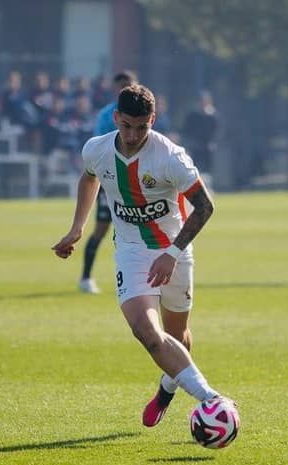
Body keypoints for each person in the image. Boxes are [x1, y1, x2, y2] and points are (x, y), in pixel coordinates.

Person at [52, 84, 234, 427]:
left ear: (153, 119)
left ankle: (167, 389)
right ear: (116, 118)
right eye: (127, 126)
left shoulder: (171, 157)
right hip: (132, 252)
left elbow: (205, 207)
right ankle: (212, 399)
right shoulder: (97, 149)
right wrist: (77, 227)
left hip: (174, 249)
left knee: (177, 335)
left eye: (142, 127)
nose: (133, 135)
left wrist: (172, 253)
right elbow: (89, 179)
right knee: (148, 333)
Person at [77, 70, 138, 294]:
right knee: (101, 229)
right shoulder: (106, 115)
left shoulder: (143, 112)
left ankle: (139, 280)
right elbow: (101, 148)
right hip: (110, 181)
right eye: (122, 86)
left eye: (129, 85)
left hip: (136, 182)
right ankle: (85, 277)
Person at [181, 90, 219, 175]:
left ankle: (207, 186)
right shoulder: (192, 115)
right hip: (194, 146)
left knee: (207, 169)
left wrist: (213, 142)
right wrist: (189, 144)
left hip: (207, 147)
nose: (204, 103)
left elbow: (216, 131)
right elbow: (186, 130)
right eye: (202, 100)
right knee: (195, 167)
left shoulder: (212, 116)